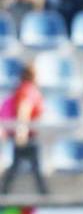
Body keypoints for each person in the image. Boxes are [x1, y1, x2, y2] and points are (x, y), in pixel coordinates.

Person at [0, 64, 49, 196]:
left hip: (26, 134)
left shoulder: (25, 89)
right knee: (33, 165)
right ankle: (44, 193)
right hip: (26, 135)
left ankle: (4, 191)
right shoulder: (28, 90)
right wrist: (22, 133)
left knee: (19, 164)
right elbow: (24, 110)